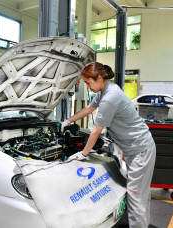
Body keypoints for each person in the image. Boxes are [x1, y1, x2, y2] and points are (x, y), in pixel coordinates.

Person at [62, 62, 156, 228]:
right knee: (140, 195)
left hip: (140, 150)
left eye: (88, 83)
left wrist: (83, 154)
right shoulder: (105, 90)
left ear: (99, 78)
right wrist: (68, 121)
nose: (87, 86)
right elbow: (88, 110)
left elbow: (96, 131)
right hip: (135, 148)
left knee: (135, 196)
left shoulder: (110, 98)